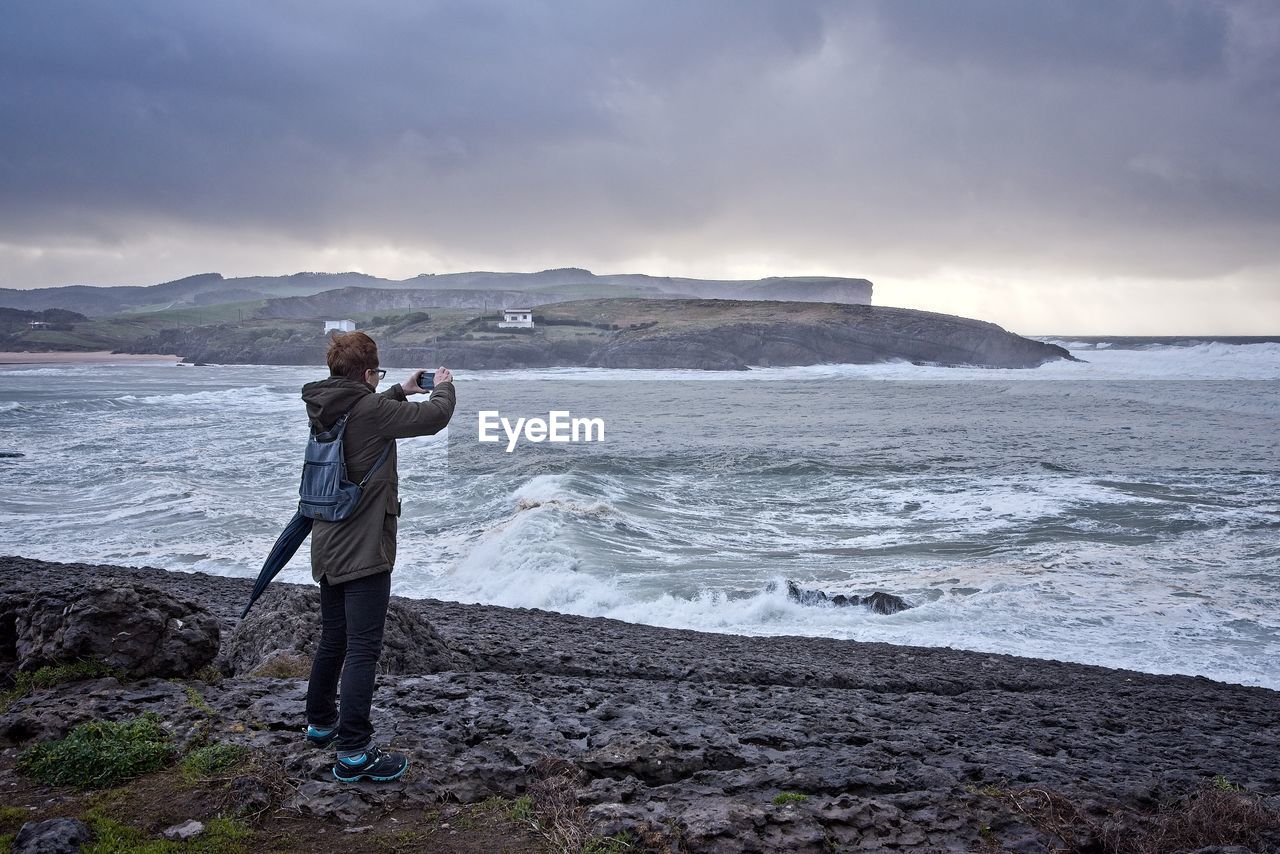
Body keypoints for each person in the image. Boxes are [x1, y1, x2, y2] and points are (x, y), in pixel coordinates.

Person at [299, 331, 455, 783]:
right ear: (366, 374)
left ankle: (321, 723)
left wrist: (398, 390)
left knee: (334, 638)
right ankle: (353, 753)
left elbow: (366, 411)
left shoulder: (327, 406)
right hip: (364, 546)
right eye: (378, 375)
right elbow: (434, 417)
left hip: (329, 543)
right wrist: (443, 384)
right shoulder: (367, 409)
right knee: (363, 648)